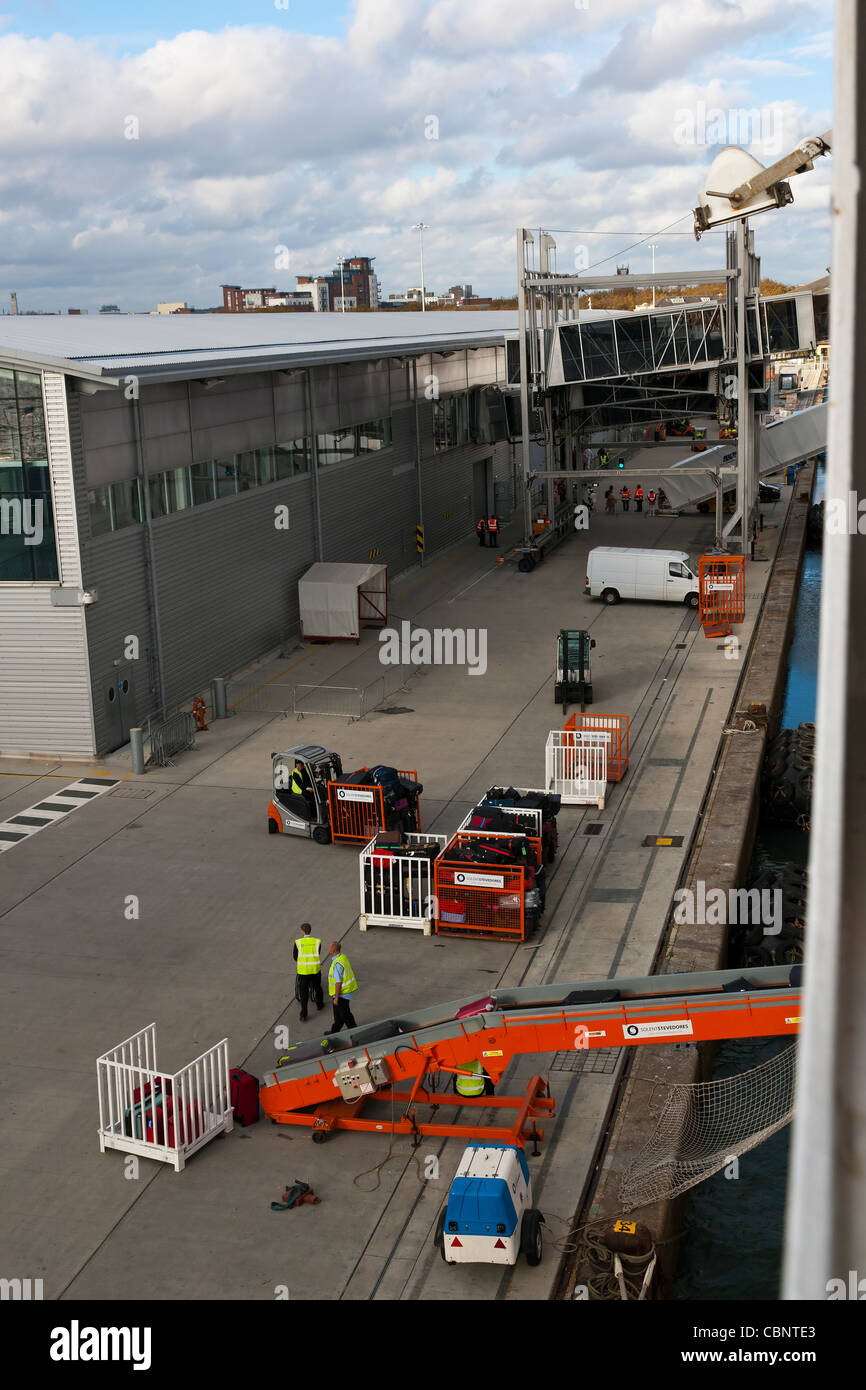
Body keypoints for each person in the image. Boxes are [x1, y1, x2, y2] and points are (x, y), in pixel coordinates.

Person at [293, 923, 324, 1022]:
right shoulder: (317, 941)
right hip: (315, 969)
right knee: (317, 987)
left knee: (304, 992)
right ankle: (319, 1005)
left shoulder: (298, 942)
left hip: (303, 971)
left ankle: (304, 1014)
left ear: (302, 931)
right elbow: (317, 953)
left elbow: (295, 956)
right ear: (310, 930)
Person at [326, 942, 358, 1034]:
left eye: (330, 947)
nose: (328, 949)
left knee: (345, 1015)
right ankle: (334, 1032)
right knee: (338, 1016)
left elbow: (338, 982)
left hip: (342, 995)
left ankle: (355, 1032)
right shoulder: (342, 957)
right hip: (345, 992)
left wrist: (336, 998)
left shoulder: (337, 964)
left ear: (333, 950)